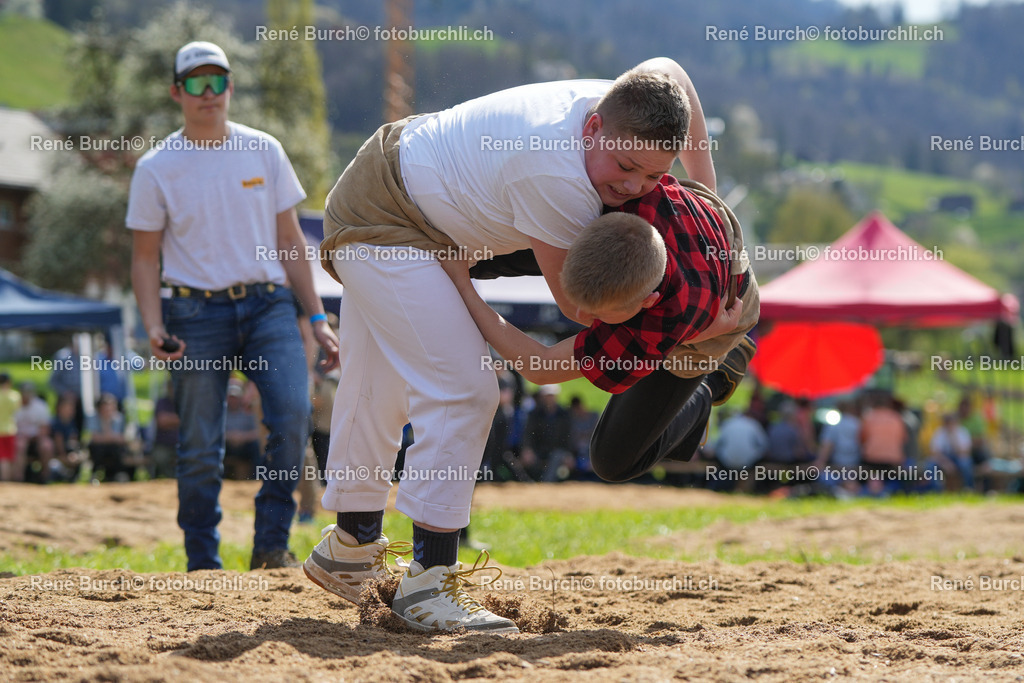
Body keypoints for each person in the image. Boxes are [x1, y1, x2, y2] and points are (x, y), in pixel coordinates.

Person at [302, 57, 727, 633]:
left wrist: (706, 194)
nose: (633, 189)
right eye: (626, 167)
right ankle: (428, 584)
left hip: (397, 183)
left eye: (655, 177)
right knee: (464, 390)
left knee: (378, 384)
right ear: (595, 128)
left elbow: (672, 68)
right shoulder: (555, 178)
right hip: (385, 219)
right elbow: (582, 307)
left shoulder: (633, 101)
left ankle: (349, 549)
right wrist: (654, 300)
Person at [127, 41, 339, 571]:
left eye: (217, 81)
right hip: (194, 316)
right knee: (200, 445)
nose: (208, 93)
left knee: (292, 417)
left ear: (230, 88)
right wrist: (153, 325)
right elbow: (144, 259)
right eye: (195, 83)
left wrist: (316, 317)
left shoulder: (263, 150)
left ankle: (271, 545)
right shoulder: (157, 168)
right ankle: (202, 559)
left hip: (268, 306)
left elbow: (291, 243)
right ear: (177, 92)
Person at [520, 384, 574, 482]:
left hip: (557, 450)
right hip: (539, 450)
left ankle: (546, 483)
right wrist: (527, 449)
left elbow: (569, 436)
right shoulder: (534, 414)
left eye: (551, 395)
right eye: (547, 395)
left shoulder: (564, 414)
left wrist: (569, 454)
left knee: (557, 457)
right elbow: (528, 433)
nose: (549, 398)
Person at [87, 393, 132, 482]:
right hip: (99, 449)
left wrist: (107, 437)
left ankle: (117, 474)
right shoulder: (93, 418)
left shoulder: (120, 418)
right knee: (98, 448)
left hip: (115, 450)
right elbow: (94, 438)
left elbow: (125, 439)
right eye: (105, 408)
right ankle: (96, 474)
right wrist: (110, 435)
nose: (108, 410)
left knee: (116, 449)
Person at [15, 383, 53, 484]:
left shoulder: (40, 406)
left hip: (38, 437)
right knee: (19, 445)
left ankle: (45, 476)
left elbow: (45, 428)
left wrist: (37, 437)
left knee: (47, 446)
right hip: (20, 437)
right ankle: (19, 478)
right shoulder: (14, 406)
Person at [0, 373, 21, 482]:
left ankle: (5, 480)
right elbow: (17, 410)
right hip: (10, 429)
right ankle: (9, 481)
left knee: (3, 458)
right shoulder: (14, 395)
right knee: (10, 457)